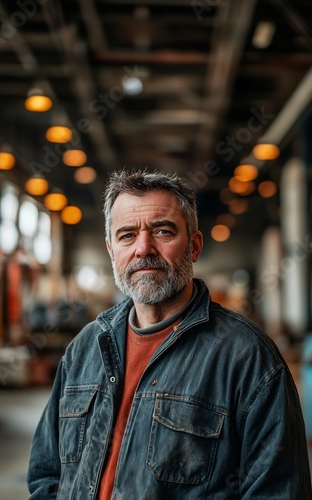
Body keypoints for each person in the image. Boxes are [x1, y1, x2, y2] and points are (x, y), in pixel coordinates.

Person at [27, 169, 312, 499]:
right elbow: (47, 473)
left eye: (162, 231)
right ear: (111, 250)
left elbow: (278, 491)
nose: (144, 248)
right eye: (127, 235)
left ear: (194, 246)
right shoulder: (84, 350)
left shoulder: (247, 358)